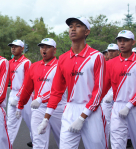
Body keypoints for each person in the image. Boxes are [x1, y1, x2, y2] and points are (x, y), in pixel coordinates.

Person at [38, 17, 107, 149]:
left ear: (87, 32)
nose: (73, 29)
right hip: (70, 110)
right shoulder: (63, 58)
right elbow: (56, 91)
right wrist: (46, 118)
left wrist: (82, 117)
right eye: (71, 26)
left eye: (78, 26)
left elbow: (99, 91)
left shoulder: (96, 56)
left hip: (91, 111)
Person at [16, 38, 67, 149]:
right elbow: (27, 88)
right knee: (38, 142)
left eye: (48, 47)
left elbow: (58, 89)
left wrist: (40, 99)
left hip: (58, 109)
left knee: (64, 141)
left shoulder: (60, 66)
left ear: (54, 50)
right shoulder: (34, 66)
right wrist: (20, 105)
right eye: (42, 47)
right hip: (39, 109)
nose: (44, 49)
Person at [104, 30, 136, 149]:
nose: (122, 43)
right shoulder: (111, 63)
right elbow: (105, 85)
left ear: (133, 42)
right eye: (119, 41)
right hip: (118, 106)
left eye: (126, 40)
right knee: (117, 143)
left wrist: (129, 105)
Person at [7, 39, 33, 147]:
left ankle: (36, 141)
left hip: (26, 95)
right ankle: (8, 145)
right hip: (13, 93)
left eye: (16, 46)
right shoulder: (9, 63)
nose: (13, 48)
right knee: (10, 123)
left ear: (22, 49)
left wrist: (18, 97)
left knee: (31, 122)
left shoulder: (26, 62)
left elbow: (27, 82)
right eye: (12, 46)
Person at [101, 43, 119, 145]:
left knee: (119, 123)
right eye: (109, 51)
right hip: (106, 94)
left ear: (117, 52)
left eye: (113, 51)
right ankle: (106, 143)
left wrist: (113, 94)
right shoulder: (104, 64)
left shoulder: (120, 63)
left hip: (119, 95)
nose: (110, 53)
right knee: (106, 120)